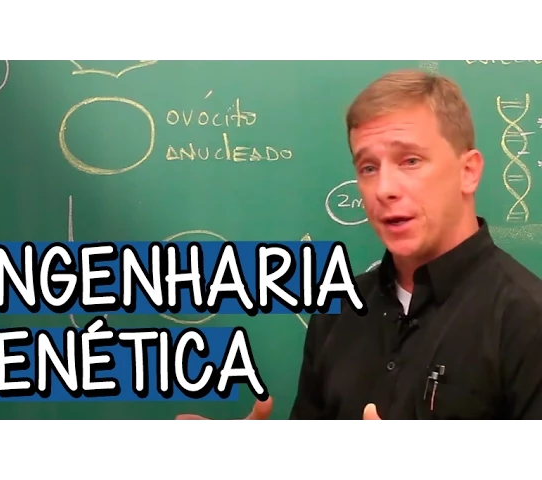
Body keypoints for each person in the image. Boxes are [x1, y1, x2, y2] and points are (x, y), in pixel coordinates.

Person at [175, 69, 542, 421]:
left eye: (410, 161)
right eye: (368, 167)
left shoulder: (527, 319)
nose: (384, 189)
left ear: (468, 172)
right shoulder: (337, 312)